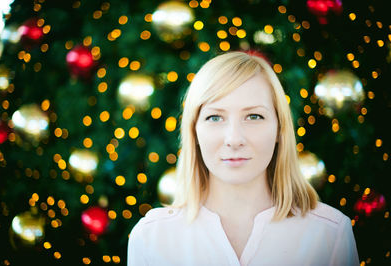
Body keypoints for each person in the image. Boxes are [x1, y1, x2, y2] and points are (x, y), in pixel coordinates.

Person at [127, 51, 359, 266]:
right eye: (215, 118)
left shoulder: (329, 233)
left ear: (280, 129)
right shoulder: (151, 238)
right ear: (194, 131)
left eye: (254, 116)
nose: (234, 139)